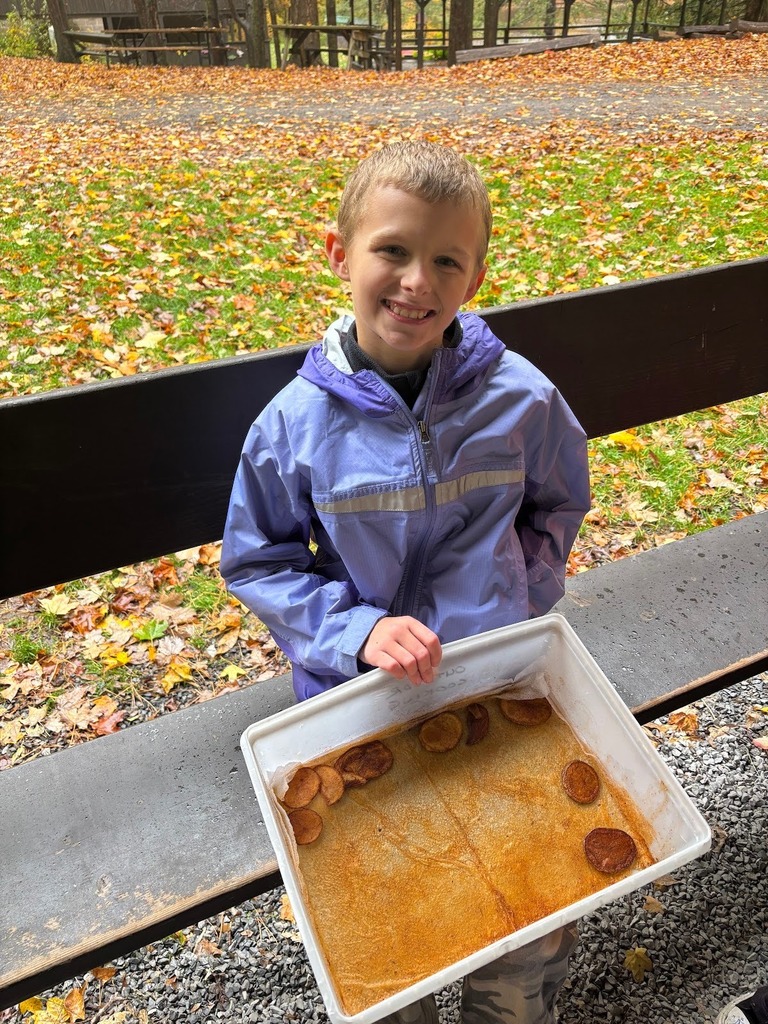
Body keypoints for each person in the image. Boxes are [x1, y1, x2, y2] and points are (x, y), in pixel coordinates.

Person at [221, 141, 591, 1024]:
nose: (416, 281)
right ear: (339, 254)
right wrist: (353, 630)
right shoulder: (295, 425)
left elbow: (557, 503)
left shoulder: (523, 399)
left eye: (446, 260)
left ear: (475, 277)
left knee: (525, 895)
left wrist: (518, 597)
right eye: (393, 250)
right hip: (361, 699)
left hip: (498, 685)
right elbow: (259, 558)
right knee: (395, 911)